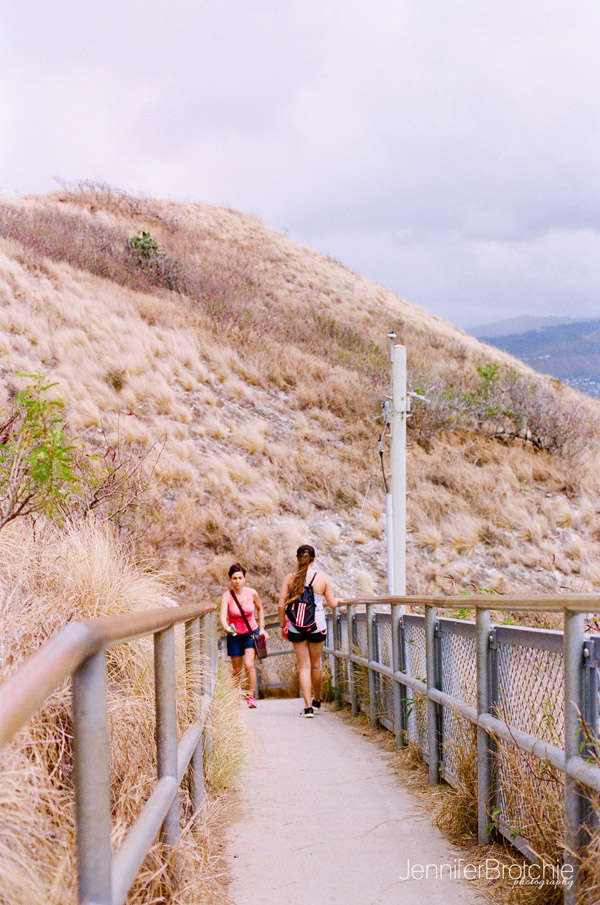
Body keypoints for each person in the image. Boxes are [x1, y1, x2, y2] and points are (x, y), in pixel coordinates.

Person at [278, 544, 339, 717]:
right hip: (317, 625)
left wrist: (283, 626)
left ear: (297, 558)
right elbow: (333, 604)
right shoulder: (322, 579)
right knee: (315, 665)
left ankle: (307, 708)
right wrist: (339, 600)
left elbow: (281, 605)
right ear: (313, 558)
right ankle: (317, 701)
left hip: (296, 626)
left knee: (303, 666)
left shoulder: (290, 579)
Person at [220, 562, 266, 708]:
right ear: (230, 580)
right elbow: (222, 615)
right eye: (234, 578)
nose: (237, 581)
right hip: (234, 634)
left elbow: (260, 609)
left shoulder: (252, 593)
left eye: (240, 578)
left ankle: (250, 696)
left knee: (249, 665)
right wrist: (227, 627)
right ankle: (236, 696)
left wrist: (262, 628)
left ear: (244, 578)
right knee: (237, 669)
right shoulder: (227, 596)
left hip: (250, 633)